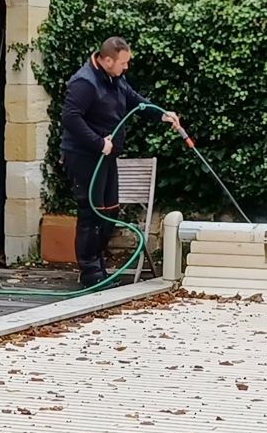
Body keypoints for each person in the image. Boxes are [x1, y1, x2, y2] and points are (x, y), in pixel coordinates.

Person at [59, 36, 180, 288]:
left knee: (110, 211)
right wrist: (98, 142)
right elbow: (70, 118)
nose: (126, 67)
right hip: (84, 157)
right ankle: (91, 274)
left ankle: (99, 268)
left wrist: (162, 114)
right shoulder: (85, 82)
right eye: (123, 63)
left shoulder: (115, 79)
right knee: (91, 213)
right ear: (107, 60)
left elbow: (135, 100)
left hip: (106, 157)